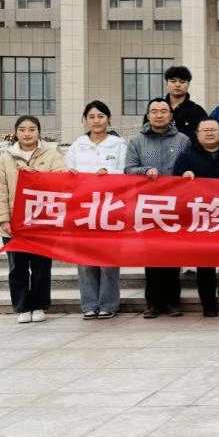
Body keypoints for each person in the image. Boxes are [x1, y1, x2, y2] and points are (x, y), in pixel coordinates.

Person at [0, 115, 66, 323]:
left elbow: (60, 180)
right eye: (22, 129)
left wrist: (32, 173)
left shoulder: (52, 155)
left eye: (31, 129)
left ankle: (40, 305)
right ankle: (22, 306)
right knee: (18, 267)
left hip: (42, 221)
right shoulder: (5, 159)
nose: (27, 133)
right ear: (16, 133)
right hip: (14, 223)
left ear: (38, 132)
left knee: (42, 266)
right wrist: (3, 220)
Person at [125, 98, 192, 318]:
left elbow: (190, 166)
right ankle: (153, 303)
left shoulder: (183, 140)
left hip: (175, 205)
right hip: (148, 205)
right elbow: (128, 169)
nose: (159, 115)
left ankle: (173, 302)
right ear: (148, 114)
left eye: (164, 111)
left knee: (173, 256)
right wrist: (144, 170)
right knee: (151, 256)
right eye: (154, 111)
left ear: (171, 115)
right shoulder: (137, 141)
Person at [66, 100, 127, 320]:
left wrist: (109, 174)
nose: (96, 121)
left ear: (108, 119)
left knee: (108, 258)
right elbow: (67, 173)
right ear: (85, 120)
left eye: (101, 116)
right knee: (85, 259)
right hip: (83, 209)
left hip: (109, 208)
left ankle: (109, 303)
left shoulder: (118, 145)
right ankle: (89, 303)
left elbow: (126, 174)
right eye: (91, 117)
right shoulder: (78, 144)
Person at [173, 118, 219, 316]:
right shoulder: (187, 156)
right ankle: (208, 304)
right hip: (202, 216)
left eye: (213, 130)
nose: (209, 134)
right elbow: (174, 182)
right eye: (205, 130)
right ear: (197, 133)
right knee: (205, 261)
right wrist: (184, 176)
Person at [148, 65, 207, 141]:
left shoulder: (197, 112)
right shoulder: (155, 109)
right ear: (167, 84)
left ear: (188, 85)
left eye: (182, 82)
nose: (177, 85)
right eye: (173, 81)